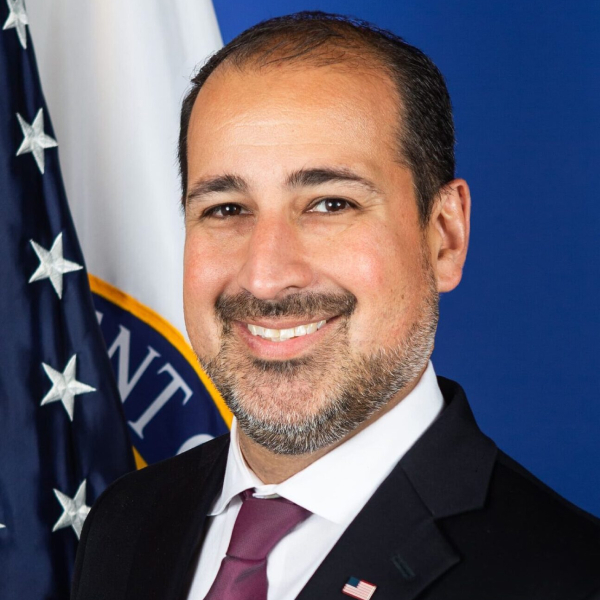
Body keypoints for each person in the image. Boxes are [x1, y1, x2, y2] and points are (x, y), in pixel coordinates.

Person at [71, 12, 600, 600]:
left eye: (330, 204)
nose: (266, 277)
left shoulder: (569, 578)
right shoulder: (124, 524)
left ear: (444, 237)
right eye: (226, 209)